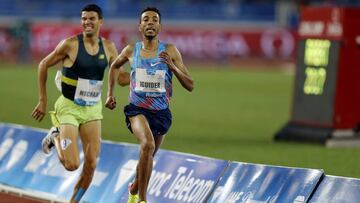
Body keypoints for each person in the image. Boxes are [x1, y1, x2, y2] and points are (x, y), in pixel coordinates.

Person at [105, 7, 194, 203]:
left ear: (159, 26)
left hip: (161, 113)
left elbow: (190, 85)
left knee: (148, 155)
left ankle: (134, 188)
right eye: (146, 19)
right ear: (140, 26)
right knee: (147, 144)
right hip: (137, 110)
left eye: (154, 20)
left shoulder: (170, 51)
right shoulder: (131, 50)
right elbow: (114, 67)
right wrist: (110, 94)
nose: (150, 22)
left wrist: (172, 67)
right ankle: (143, 200)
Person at [31, 4, 118, 203]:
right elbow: (43, 64)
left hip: (93, 109)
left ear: (100, 22)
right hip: (69, 107)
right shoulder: (70, 44)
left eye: (91, 19)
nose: (87, 22)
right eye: (84, 19)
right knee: (71, 164)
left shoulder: (110, 47)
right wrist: (43, 100)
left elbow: (120, 77)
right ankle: (55, 136)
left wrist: (139, 77)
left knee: (91, 164)